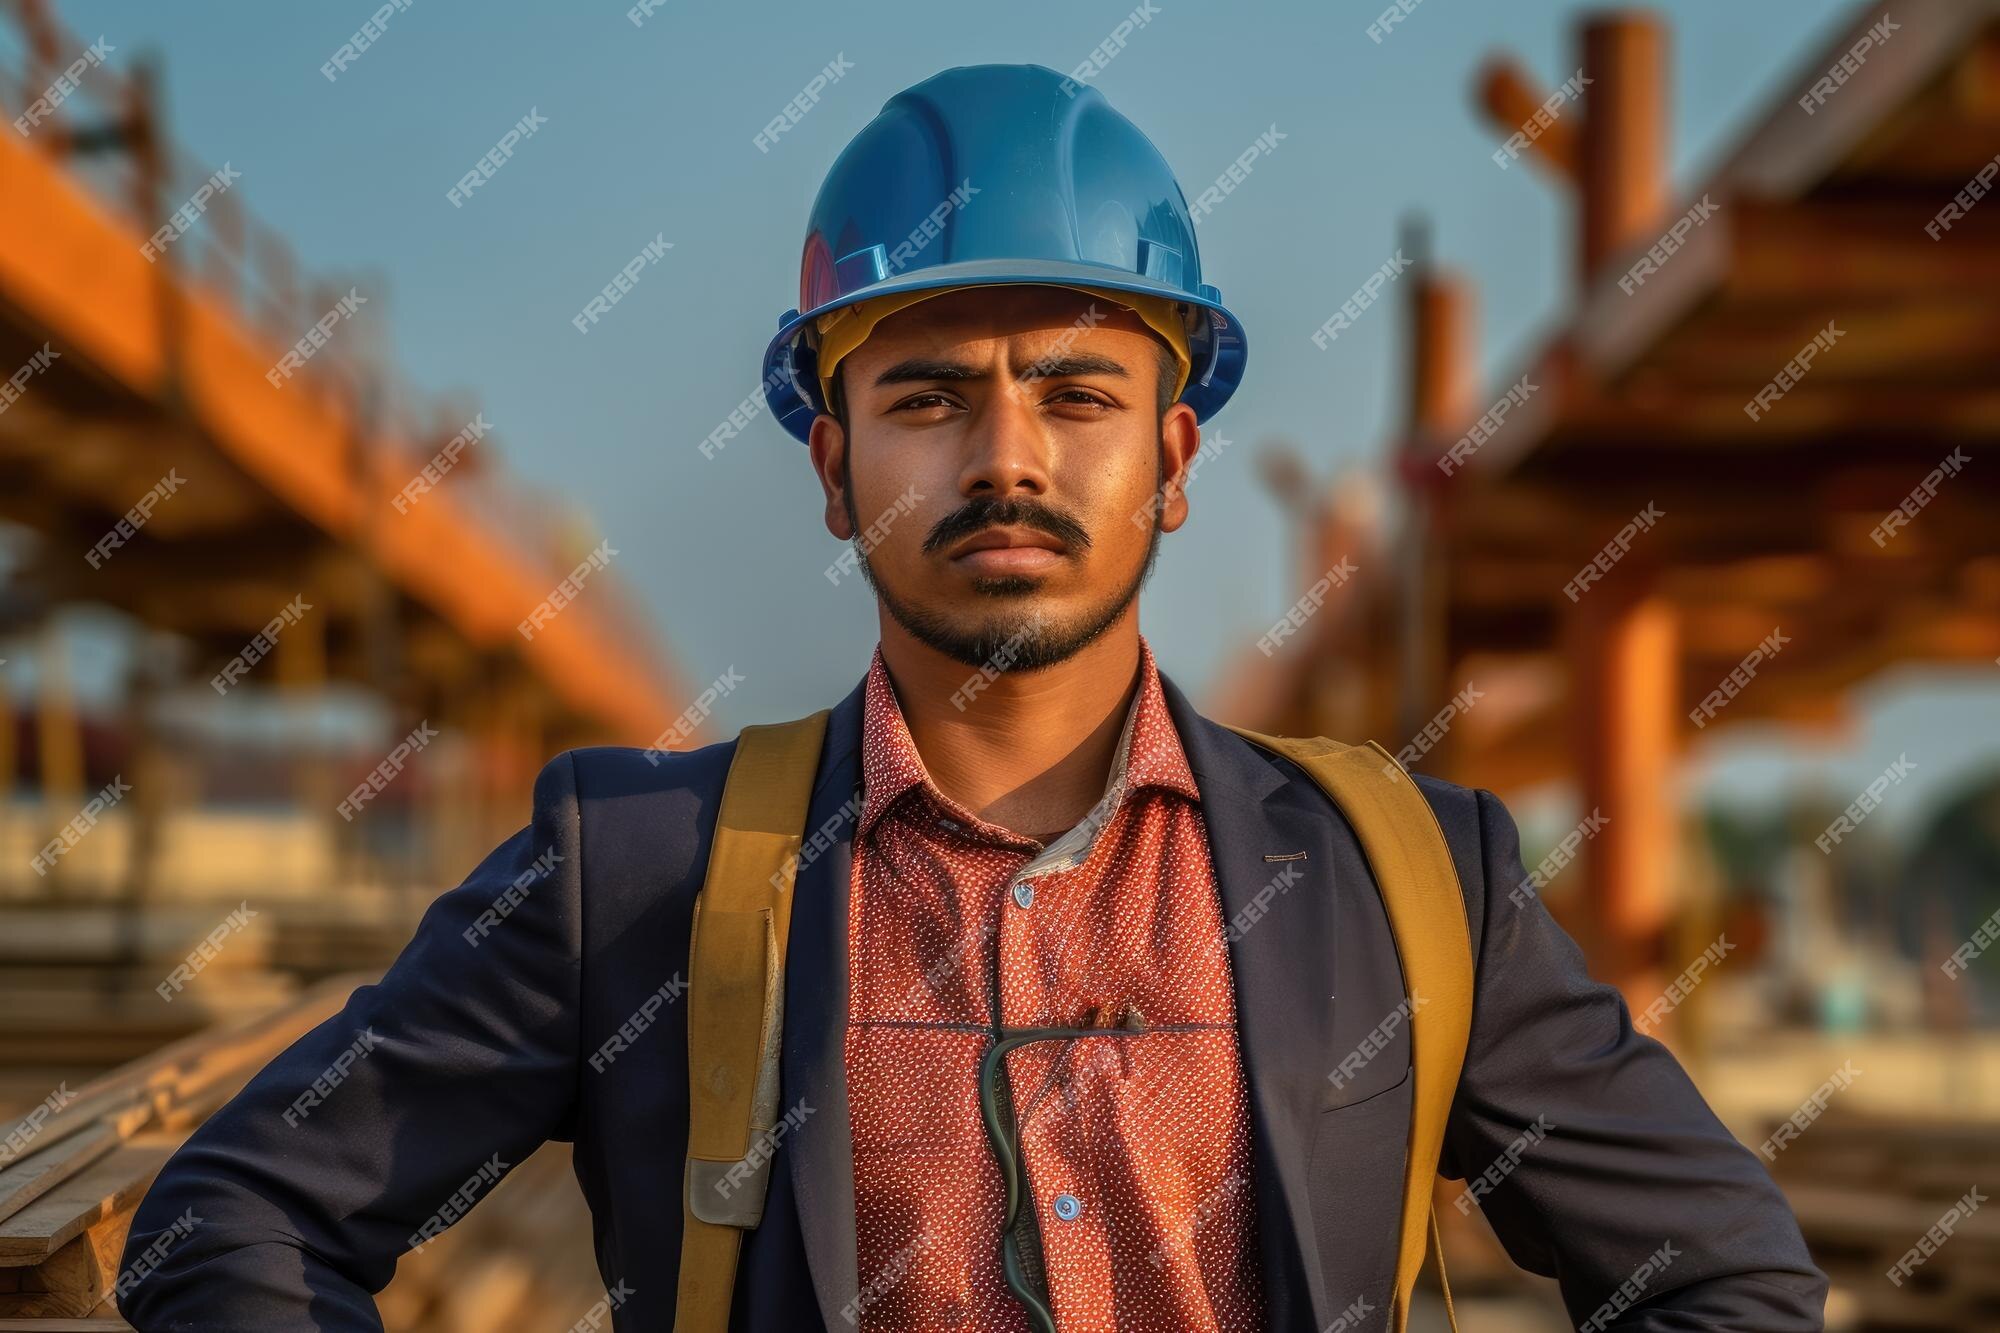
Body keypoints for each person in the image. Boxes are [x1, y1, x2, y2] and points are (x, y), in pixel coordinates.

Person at [119, 63, 1827, 1332]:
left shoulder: (1406, 884)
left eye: (1077, 392)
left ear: (1171, 458)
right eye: (928, 396)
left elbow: (1732, 1281)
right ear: (835, 464)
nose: (1007, 457)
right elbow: (232, 1227)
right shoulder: (635, 875)